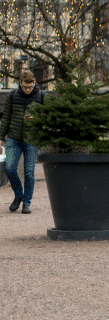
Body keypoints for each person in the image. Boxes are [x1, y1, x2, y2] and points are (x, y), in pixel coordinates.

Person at [1, 70, 45, 214]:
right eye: (25, 87)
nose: (27, 90)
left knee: (29, 172)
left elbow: (47, 118)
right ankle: (18, 195)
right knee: (9, 168)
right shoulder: (13, 95)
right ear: (20, 83)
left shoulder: (41, 96)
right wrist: (1, 137)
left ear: (34, 82)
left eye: (30, 87)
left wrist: (37, 120)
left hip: (32, 139)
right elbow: (6, 117)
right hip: (13, 138)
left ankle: (26, 203)